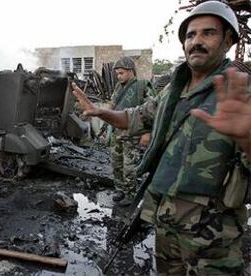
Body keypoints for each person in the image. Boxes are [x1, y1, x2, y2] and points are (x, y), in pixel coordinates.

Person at [71, 1, 250, 275]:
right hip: (166, 219)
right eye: (191, 35)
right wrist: (100, 112)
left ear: (228, 40)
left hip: (213, 231)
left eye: (208, 33)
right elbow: (136, 116)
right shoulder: (172, 90)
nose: (197, 41)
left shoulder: (241, 91)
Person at [107, 57, 154, 201]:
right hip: (117, 132)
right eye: (117, 74)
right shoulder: (118, 87)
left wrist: (147, 132)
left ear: (130, 71)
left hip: (133, 133)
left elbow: (152, 111)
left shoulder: (142, 85)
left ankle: (130, 194)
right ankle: (119, 189)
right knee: (116, 163)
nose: (119, 76)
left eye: (121, 73)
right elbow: (112, 106)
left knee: (129, 166)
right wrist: (109, 129)